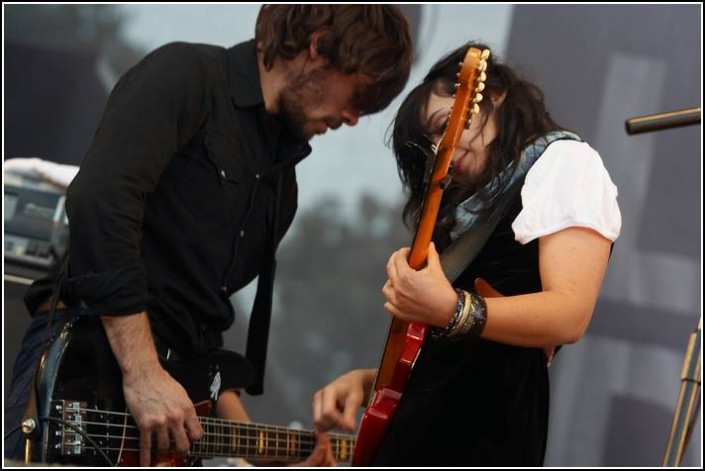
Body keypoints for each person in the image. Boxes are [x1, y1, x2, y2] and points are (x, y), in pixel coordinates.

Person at [4, 5, 412, 466]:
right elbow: (100, 202)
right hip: (84, 373)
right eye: (358, 95)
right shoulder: (186, 76)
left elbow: (202, 340)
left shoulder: (283, 188)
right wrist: (142, 373)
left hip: (162, 411)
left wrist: (268, 458)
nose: (353, 117)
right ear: (318, 47)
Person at [312, 41, 621, 466]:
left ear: (491, 94)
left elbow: (570, 313)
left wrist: (452, 309)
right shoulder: (464, 212)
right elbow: (452, 361)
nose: (440, 148)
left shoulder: (564, 162)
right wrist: (368, 384)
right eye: (428, 143)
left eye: (444, 125)